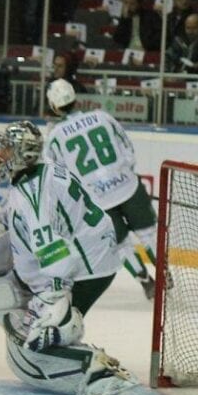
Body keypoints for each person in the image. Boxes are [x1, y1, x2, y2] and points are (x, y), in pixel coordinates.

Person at [0, 120, 137, 395]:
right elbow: (16, 211)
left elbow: (55, 255)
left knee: (33, 347)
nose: (1, 155)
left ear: (22, 153)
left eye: (7, 149)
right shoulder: (39, 173)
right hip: (92, 255)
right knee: (33, 333)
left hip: (86, 268)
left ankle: (94, 369)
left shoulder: (32, 195)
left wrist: (54, 301)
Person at [44, 79, 159, 299]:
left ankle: (147, 282)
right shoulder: (102, 117)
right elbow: (128, 149)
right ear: (75, 98)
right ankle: (164, 275)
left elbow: (55, 176)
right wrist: (122, 175)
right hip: (128, 187)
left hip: (97, 201)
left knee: (120, 245)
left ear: (54, 106)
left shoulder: (55, 137)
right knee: (149, 234)